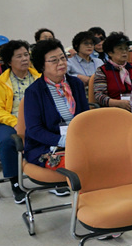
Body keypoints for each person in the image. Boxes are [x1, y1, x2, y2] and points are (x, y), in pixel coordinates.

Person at [24, 38, 89, 193]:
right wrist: (64, 140)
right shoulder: (34, 92)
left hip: (78, 142)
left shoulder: (76, 84)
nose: (61, 63)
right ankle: (85, 204)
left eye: (62, 58)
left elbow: (85, 118)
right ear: (41, 66)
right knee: (83, 163)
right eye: (53, 60)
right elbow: (34, 130)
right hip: (47, 146)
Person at [0, 40, 40, 203]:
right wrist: (15, 122)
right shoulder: (0, 82)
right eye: (19, 56)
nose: (25, 59)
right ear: (9, 61)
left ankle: (53, 178)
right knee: (10, 142)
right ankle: (16, 183)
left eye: (26, 55)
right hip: (9, 121)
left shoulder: (39, 77)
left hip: (36, 119)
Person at [93, 32, 132, 109]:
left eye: (126, 48)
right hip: (114, 111)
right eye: (120, 48)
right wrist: (117, 103)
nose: (124, 51)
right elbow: (99, 96)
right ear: (110, 52)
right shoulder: (102, 71)